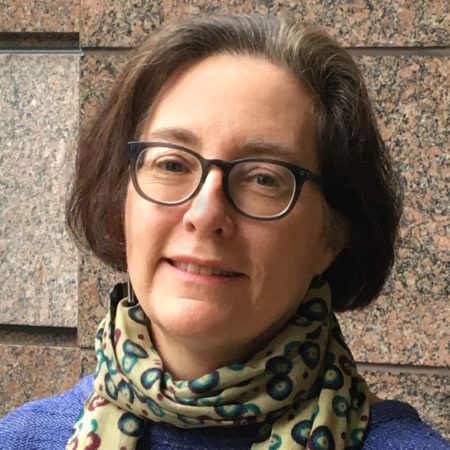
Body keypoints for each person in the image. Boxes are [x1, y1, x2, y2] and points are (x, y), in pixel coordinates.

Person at [0, 13, 448, 450]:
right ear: (122, 197)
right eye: (171, 164)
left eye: (264, 178)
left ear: (332, 236)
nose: (205, 213)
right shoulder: (22, 438)